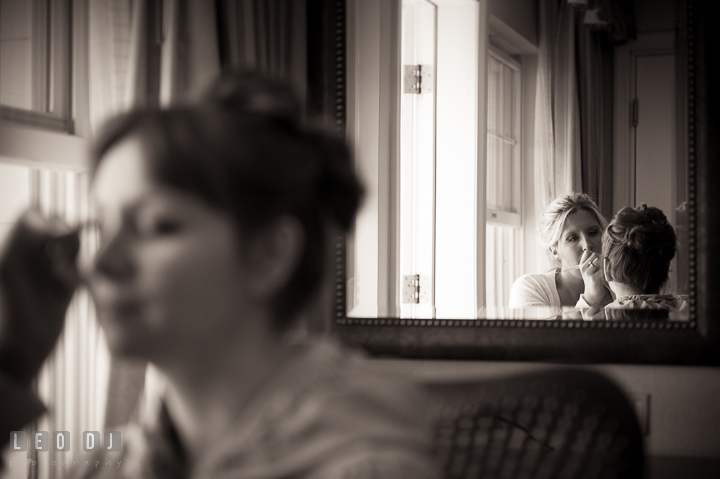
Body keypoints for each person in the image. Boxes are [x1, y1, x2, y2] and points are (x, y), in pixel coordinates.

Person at [0, 72, 439, 478]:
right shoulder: (105, 468)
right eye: (100, 227)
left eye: (157, 226)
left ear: (268, 255)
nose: (99, 262)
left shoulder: (368, 469)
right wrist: (9, 364)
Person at [509, 193, 613, 316]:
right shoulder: (530, 288)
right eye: (572, 238)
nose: (587, 245)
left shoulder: (620, 287)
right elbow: (540, 336)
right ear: (554, 251)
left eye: (593, 232)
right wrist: (590, 298)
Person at [579, 204, 688, 321]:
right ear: (666, 268)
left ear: (607, 269)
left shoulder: (596, 323)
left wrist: (589, 298)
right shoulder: (690, 314)